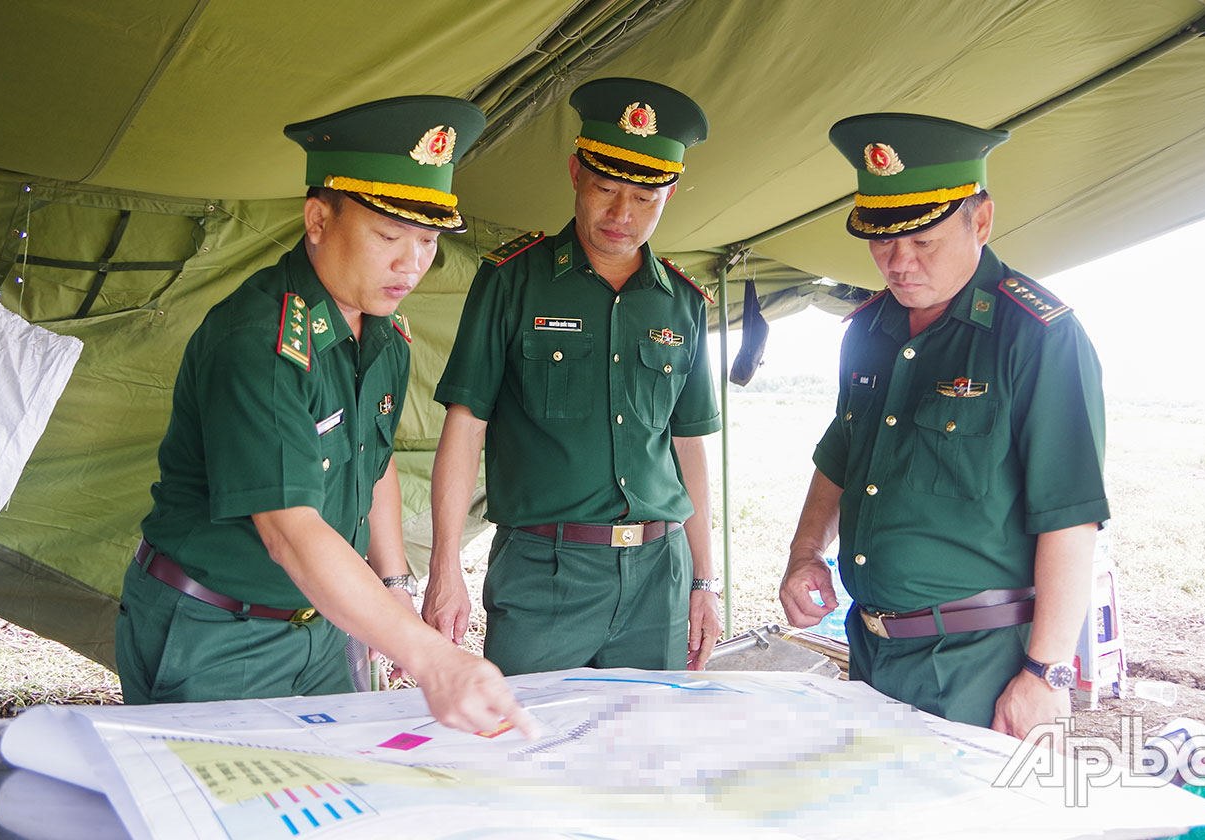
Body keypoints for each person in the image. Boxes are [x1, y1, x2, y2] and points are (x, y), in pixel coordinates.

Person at [115, 95, 535, 738]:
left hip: (319, 627)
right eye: (389, 236)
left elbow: (374, 463)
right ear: (317, 219)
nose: (411, 264)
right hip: (216, 634)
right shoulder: (260, 341)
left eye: (426, 241)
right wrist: (430, 659)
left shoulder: (385, 338)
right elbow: (289, 530)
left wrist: (393, 583)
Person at [778, 113, 1109, 738]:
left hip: (977, 665)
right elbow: (840, 459)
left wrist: (1045, 674)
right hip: (872, 648)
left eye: (923, 241)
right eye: (881, 241)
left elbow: (1071, 516)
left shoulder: (1037, 336)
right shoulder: (868, 331)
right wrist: (804, 555)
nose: (898, 263)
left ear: (980, 220)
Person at [424, 77, 723, 675]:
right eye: (606, 190)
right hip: (545, 572)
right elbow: (465, 425)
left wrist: (704, 581)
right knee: (529, 756)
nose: (622, 214)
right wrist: (444, 568)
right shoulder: (511, 279)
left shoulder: (683, 302)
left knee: (645, 753)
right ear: (574, 174)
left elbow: (687, 444)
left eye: (645, 200)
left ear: (670, 196)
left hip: (658, 576)